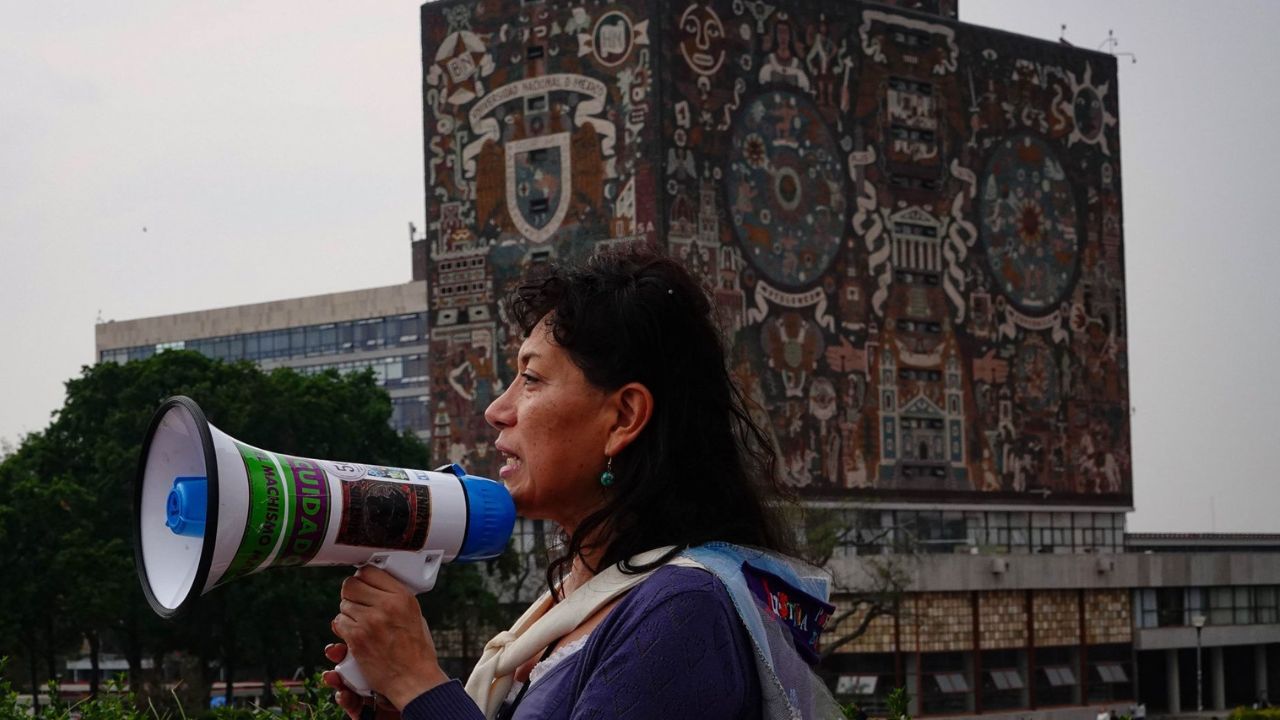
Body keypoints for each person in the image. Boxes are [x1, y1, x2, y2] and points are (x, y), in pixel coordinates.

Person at [322, 244, 843, 719]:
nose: (497, 410)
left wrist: (420, 685)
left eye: (531, 379)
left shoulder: (683, 612)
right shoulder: (576, 605)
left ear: (623, 418)